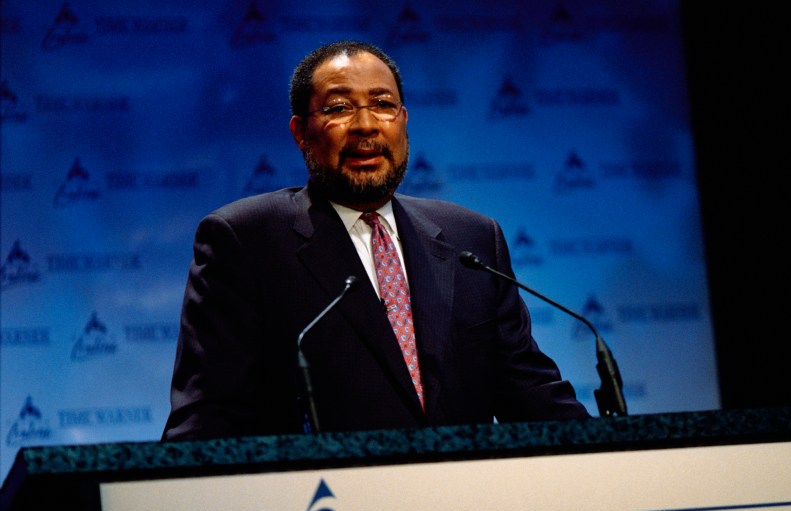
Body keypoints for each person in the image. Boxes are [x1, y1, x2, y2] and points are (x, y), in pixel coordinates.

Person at [162, 40, 589, 441]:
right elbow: (207, 419)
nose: (365, 125)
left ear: (404, 121)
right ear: (300, 132)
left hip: (464, 506)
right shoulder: (245, 240)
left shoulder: (472, 239)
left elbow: (533, 396)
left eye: (383, 105)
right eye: (340, 108)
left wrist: (618, 457)